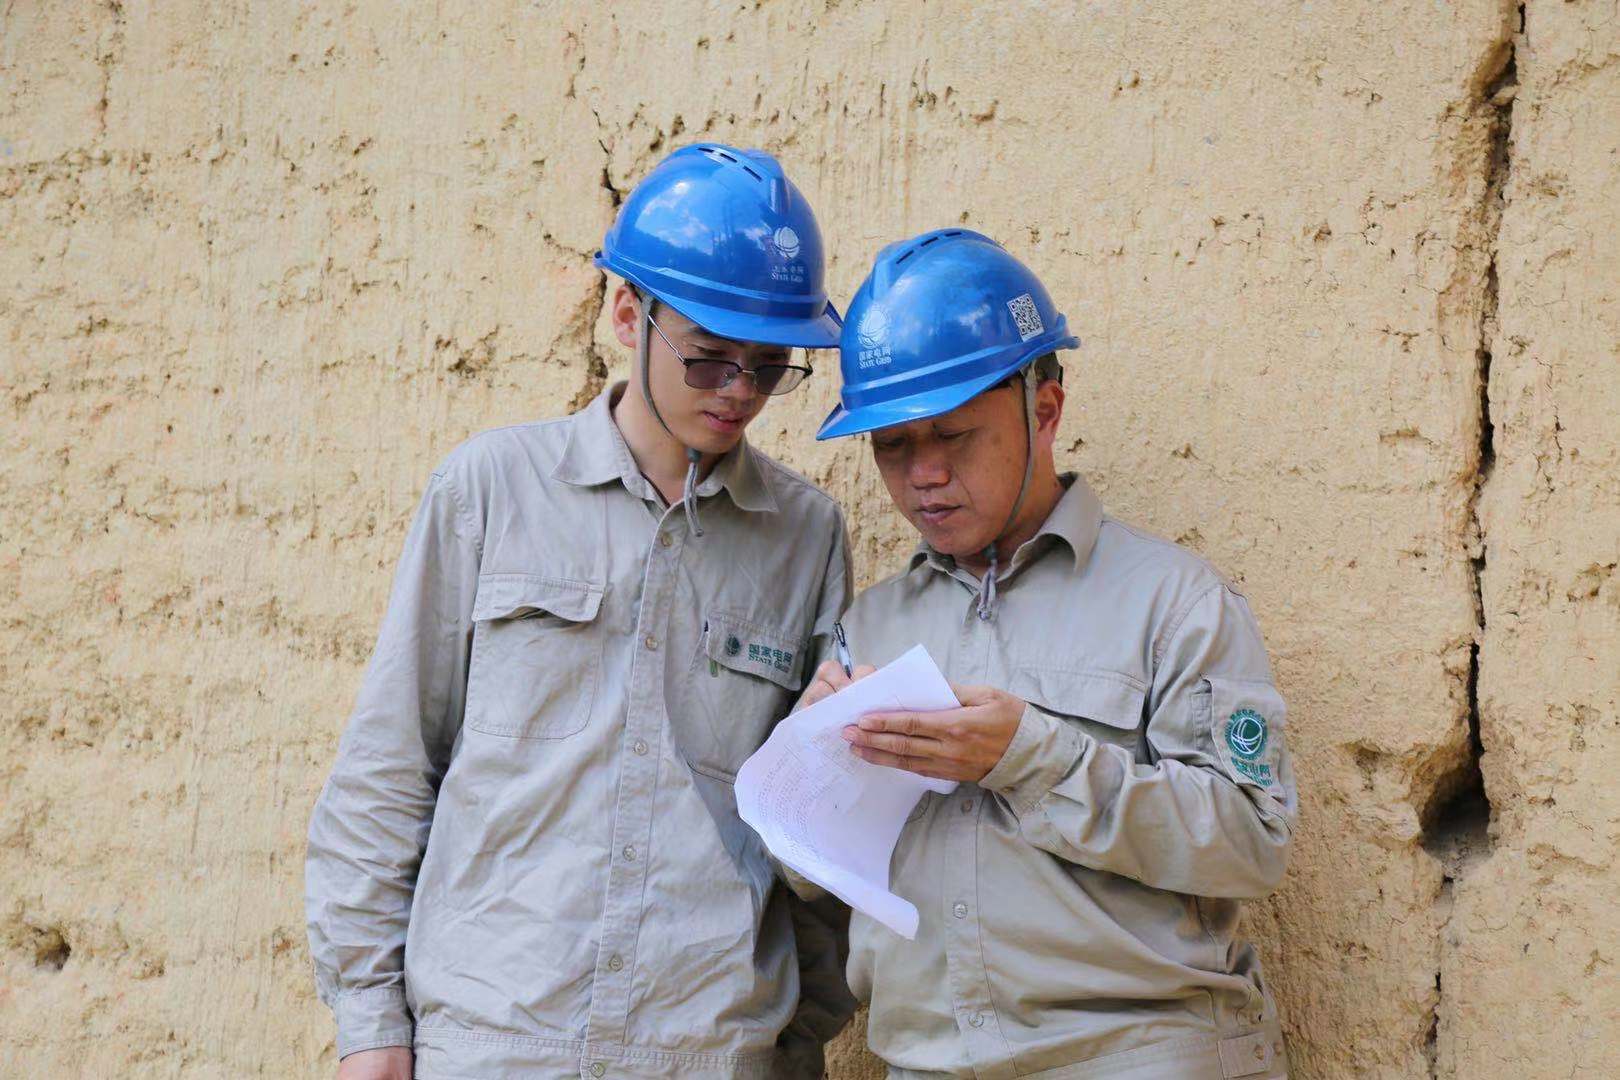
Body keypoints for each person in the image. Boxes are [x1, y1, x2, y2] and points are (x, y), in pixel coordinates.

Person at [306, 143, 857, 1080]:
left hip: (707, 1052)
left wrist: (787, 1044)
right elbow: (389, 769)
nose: (739, 392)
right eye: (709, 358)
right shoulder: (490, 490)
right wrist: (370, 1023)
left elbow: (818, 835)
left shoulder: (806, 537)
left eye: (770, 367)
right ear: (627, 313)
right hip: (494, 1044)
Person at [800, 229, 1297, 1079]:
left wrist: (1034, 759)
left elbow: (1253, 842)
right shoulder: (870, 624)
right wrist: (814, 768)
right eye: (892, 445)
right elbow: (810, 882)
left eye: (953, 435)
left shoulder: (1174, 603)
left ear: (1045, 410)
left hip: (1136, 1060)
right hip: (928, 1062)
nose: (923, 475)